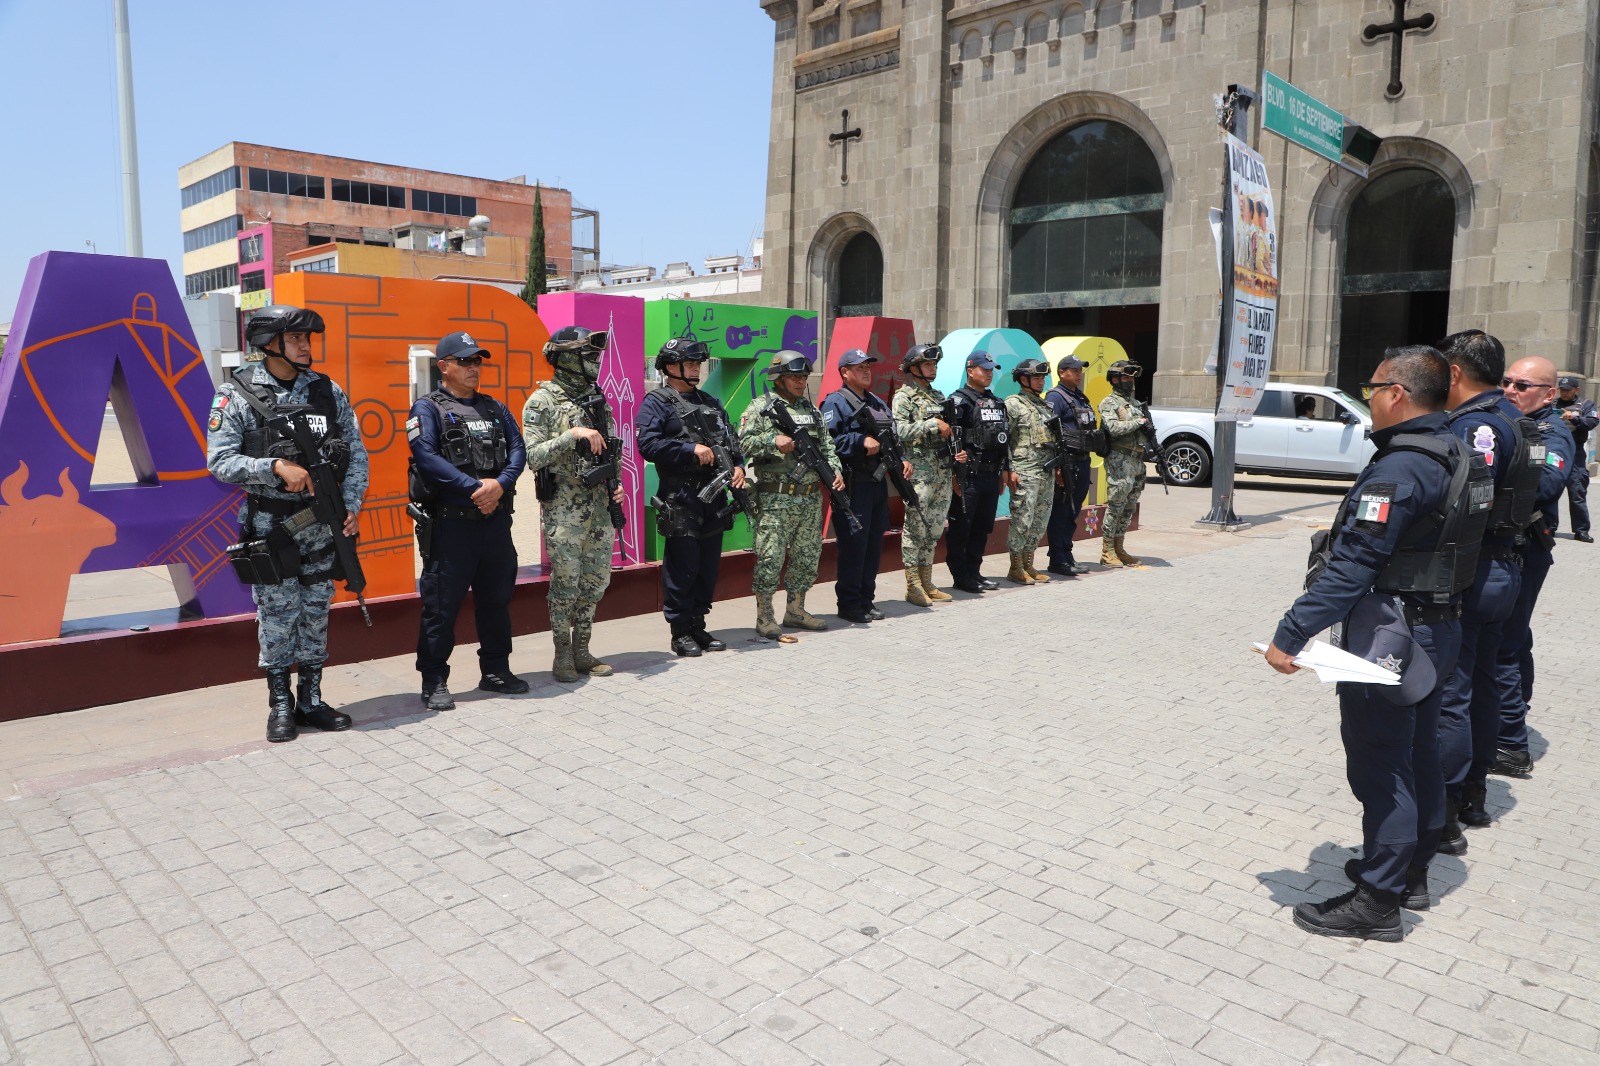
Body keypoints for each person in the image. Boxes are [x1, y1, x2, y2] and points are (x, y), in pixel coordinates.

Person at [1267, 345, 1489, 941]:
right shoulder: (1457, 450)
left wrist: (1291, 633)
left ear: (1396, 393)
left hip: (1392, 636)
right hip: (1437, 627)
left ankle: (1378, 901)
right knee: (1417, 755)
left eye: (1372, 388)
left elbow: (1353, 565)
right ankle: (1409, 871)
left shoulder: (1401, 468)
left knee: (1381, 766)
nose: (1368, 398)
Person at [207, 304, 370, 743]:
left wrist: (351, 503)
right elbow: (220, 461)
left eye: (307, 338)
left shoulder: (326, 390)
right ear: (269, 343)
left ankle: (311, 700)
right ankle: (281, 704)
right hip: (272, 529)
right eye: (295, 338)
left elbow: (356, 452)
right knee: (278, 617)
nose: (305, 346)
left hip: (322, 527)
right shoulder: (236, 394)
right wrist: (274, 466)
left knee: (316, 612)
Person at [1431, 330, 1535, 846]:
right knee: (1485, 684)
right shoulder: (1513, 416)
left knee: (1453, 692)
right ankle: (1474, 794)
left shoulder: (1476, 425)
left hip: (1474, 571)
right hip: (1503, 568)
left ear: (1454, 371)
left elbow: (1470, 502)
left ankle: (1446, 813)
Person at [409, 331, 528, 706]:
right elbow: (426, 457)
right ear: (443, 366)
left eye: (477, 361)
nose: (473, 367)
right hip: (452, 526)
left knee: (496, 601)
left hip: (495, 524)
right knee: (441, 608)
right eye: (464, 361)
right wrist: (475, 489)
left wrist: (500, 484)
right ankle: (434, 680)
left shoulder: (495, 408)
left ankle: (495, 670)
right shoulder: (427, 409)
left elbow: (518, 450)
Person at [522, 327, 625, 683]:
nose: (595, 361)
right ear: (566, 358)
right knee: (566, 584)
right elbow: (533, 456)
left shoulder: (597, 399)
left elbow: (611, 449)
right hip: (564, 508)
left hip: (600, 505)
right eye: (588, 355)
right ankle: (562, 654)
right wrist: (571, 435)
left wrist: (618, 486)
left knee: (595, 583)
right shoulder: (542, 401)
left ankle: (583, 650)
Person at [1491, 356, 1576, 780]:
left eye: (1522, 385)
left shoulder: (1551, 432)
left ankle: (1510, 745)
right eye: (1506, 382)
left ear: (1549, 394)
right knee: (1515, 636)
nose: (1510, 390)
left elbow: (1547, 484)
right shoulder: (1513, 423)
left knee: (1504, 645)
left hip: (1526, 549)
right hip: (1512, 548)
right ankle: (1514, 711)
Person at [636, 338, 746, 657]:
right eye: (690, 363)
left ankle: (698, 625)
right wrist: (689, 449)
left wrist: (738, 466)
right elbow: (648, 445)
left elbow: (731, 441)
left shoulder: (710, 401)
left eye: (698, 363)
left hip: (714, 495)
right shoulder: (657, 402)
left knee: (707, 566)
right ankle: (680, 630)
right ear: (671, 366)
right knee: (683, 567)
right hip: (681, 496)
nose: (697, 368)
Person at [739, 351, 845, 637]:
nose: (800, 382)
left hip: (809, 497)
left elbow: (827, 447)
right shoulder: (760, 407)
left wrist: (835, 471)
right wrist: (772, 440)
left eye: (803, 377)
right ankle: (765, 616)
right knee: (770, 558)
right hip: (776, 499)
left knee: (807, 557)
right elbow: (742, 443)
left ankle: (796, 611)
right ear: (778, 378)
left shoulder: (812, 411)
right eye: (794, 377)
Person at [821, 349, 910, 623]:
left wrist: (902, 459)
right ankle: (849, 604)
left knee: (873, 544)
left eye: (868, 366)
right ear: (844, 372)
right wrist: (858, 441)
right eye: (859, 367)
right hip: (853, 485)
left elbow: (892, 435)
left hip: (877, 484)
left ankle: (866, 600)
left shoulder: (876, 402)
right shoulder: (835, 403)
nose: (866, 371)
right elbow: (826, 443)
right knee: (854, 546)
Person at [890, 343, 957, 606]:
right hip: (919, 473)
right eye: (928, 364)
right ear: (913, 368)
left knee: (934, 528)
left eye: (935, 364)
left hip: (941, 472)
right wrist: (931, 424)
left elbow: (950, 430)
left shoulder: (939, 397)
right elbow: (899, 431)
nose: (933, 368)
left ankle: (927, 580)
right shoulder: (904, 397)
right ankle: (913, 585)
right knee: (915, 529)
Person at [943, 351, 1010, 593]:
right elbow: (950, 439)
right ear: (970, 371)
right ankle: (961, 576)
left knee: (982, 527)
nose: (989, 373)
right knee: (962, 527)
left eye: (991, 369)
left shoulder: (996, 402)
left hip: (991, 474)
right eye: (984, 369)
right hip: (968, 476)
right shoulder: (959, 401)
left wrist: (1004, 469)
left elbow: (1003, 438)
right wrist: (954, 474)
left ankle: (974, 572)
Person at [1003, 357, 1055, 584]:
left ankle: (1028, 563)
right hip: (1024, 472)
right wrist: (1009, 468)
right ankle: (1015, 567)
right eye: (1036, 377)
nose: (1041, 381)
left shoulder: (1045, 406)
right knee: (1022, 520)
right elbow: (1004, 440)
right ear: (1023, 379)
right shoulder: (1013, 404)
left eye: (1043, 378)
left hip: (1046, 472)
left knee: (1039, 520)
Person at [1044, 356, 1096, 577]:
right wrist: (1057, 466)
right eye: (1074, 370)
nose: (1078, 374)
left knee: (1072, 511)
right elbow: (1050, 432)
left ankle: (1067, 554)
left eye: (1080, 371)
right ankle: (1057, 559)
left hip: (1082, 461)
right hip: (1067, 463)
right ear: (1062, 372)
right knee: (1061, 512)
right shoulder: (1055, 397)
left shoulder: (1080, 397)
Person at [1097, 360, 1149, 568]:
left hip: (1136, 461)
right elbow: (1113, 428)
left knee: (1128, 507)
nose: (1130, 381)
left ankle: (1119, 547)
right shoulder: (1109, 403)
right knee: (1116, 506)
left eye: (1131, 377)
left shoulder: (1135, 404)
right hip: (1119, 460)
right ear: (1115, 379)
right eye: (1126, 377)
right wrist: (1139, 422)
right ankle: (1107, 550)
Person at [1556, 374, 1595, 542]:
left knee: (1577, 491)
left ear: (1576, 389)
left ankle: (1581, 530)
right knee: (1550, 489)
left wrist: (1574, 418)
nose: (1564, 393)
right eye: (1562, 390)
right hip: (1555, 451)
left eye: (1568, 390)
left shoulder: (1585, 405)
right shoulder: (1552, 404)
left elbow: (1591, 422)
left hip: (1575, 452)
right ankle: (1548, 527)